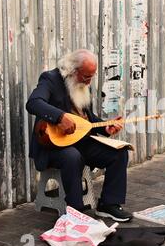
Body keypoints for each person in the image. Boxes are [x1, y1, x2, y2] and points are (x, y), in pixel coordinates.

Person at [26, 49, 133, 222]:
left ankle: (108, 204)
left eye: (91, 76)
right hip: (53, 146)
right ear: (72, 70)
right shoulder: (50, 79)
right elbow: (33, 103)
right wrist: (60, 117)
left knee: (119, 153)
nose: (89, 82)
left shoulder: (81, 84)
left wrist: (106, 127)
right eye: (85, 77)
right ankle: (75, 212)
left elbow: (87, 120)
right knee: (72, 156)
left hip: (81, 141)